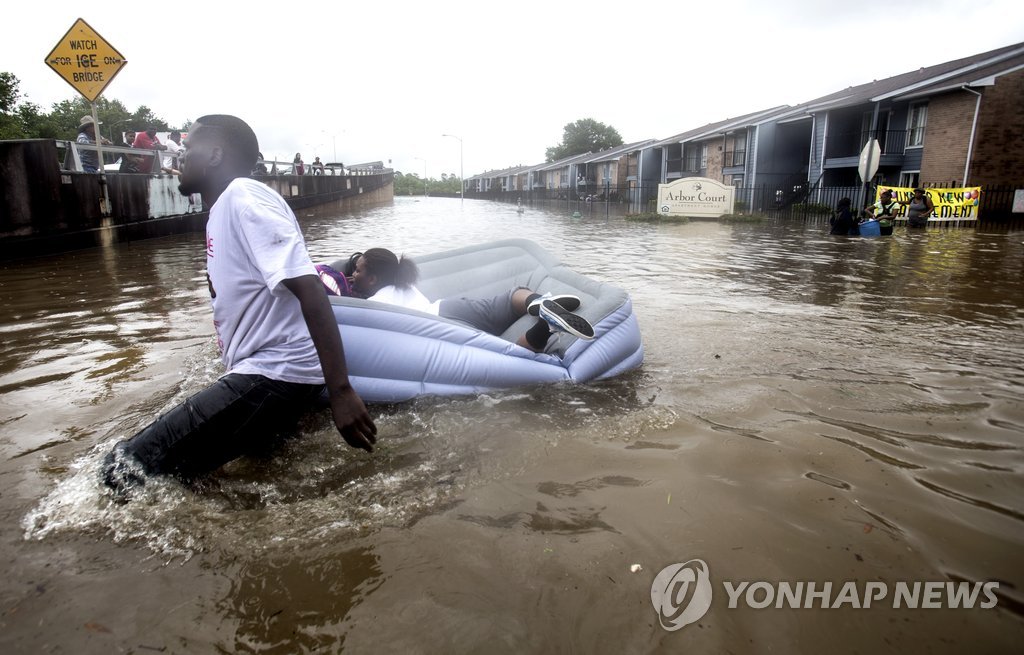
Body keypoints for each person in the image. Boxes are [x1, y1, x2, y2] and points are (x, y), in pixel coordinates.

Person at [102, 114, 376, 494]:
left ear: (214, 155)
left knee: (122, 470)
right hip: (267, 373)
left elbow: (310, 289)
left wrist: (341, 392)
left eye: (187, 149)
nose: (180, 158)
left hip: (276, 374)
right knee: (216, 480)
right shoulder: (224, 208)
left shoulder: (244, 199)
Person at [347, 248, 595, 353]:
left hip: (442, 333)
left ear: (372, 279)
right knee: (510, 296)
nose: (353, 275)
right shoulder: (404, 284)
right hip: (447, 307)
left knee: (508, 356)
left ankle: (545, 328)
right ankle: (540, 303)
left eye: (358, 271)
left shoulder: (377, 302)